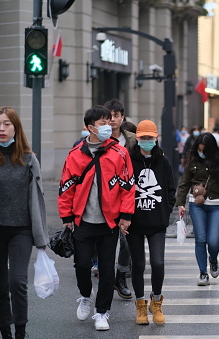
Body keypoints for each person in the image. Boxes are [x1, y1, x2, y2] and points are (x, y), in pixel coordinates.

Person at [0, 106, 49, 339]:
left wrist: (41, 235)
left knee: (17, 281)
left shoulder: (29, 158)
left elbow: (39, 198)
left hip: (21, 231)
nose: (2, 129)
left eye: (7, 124)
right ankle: (5, 331)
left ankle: (20, 332)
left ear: (16, 128)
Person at [58, 105, 135, 331]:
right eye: (103, 123)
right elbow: (65, 187)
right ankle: (85, 296)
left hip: (109, 222)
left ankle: (102, 312)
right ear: (91, 127)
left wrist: (126, 216)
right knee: (82, 265)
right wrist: (66, 216)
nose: (108, 125)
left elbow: (128, 186)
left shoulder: (119, 152)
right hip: (82, 221)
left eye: (109, 121)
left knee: (106, 269)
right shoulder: (75, 155)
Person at [123, 120, 175, 325]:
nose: (146, 141)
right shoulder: (128, 160)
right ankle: (140, 306)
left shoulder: (163, 162)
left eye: (150, 138)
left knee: (158, 262)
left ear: (156, 138)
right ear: (137, 138)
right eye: (143, 137)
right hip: (134, 222)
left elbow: (171, 190)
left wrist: (166, 210)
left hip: (157, 222)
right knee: (138, 264)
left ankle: (156, 301)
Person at [176, 132, 219, 286]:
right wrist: (180, 203)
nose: (201, 153)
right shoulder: (192, 161)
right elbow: (184, 183)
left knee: (213, 241)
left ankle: (213, 259)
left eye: (204, 150)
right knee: (200, 239)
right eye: (199, 149)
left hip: (217, 203)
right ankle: (203, 272)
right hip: (196, 204)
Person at [103, 98, 136, 300]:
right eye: (109, 116)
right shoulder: (96, 139)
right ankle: (106, 279)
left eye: (116, 116)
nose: (113, 120)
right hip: (103, 198)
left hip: (126, 196)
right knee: (105, 244)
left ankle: (120, 276)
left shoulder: (132, 139)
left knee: (127, 241)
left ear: (122, 118)